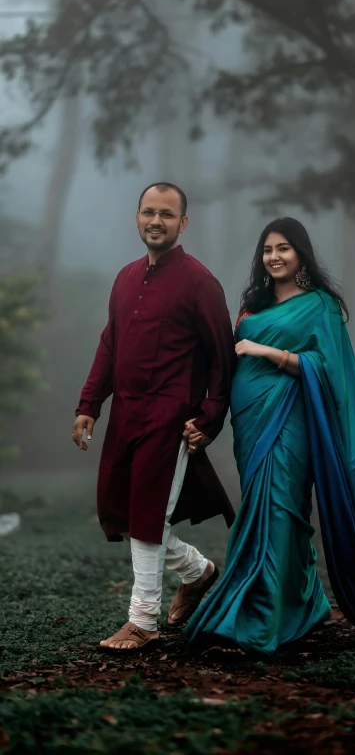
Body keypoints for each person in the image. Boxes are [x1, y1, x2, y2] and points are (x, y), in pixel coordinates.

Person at [184, 217, 355, 655]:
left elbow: (329, 369)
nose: (275, 256)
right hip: (248, 421)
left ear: (301, 253)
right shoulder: (252, 305)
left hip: (293, 419)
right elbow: (226, 364)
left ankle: (260, 618)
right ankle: (302, 604)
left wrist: (266, 351)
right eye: (267, 249)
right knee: (263, 507)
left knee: (282, 509)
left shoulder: (320, 304)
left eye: (284, 247)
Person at [72, 182, 236, 651]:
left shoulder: (199, 281)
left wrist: (209, 417)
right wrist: (90, 404)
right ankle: (199, 572)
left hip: (170, 418)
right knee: (124, 512)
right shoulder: (124, 278)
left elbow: (222, 356)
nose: (156, 221)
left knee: (148, 513)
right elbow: (110, 344)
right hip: (126, 411)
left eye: (167, 214)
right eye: (149, 212)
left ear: (183, 223)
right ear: (137, 217)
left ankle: (142, 619)